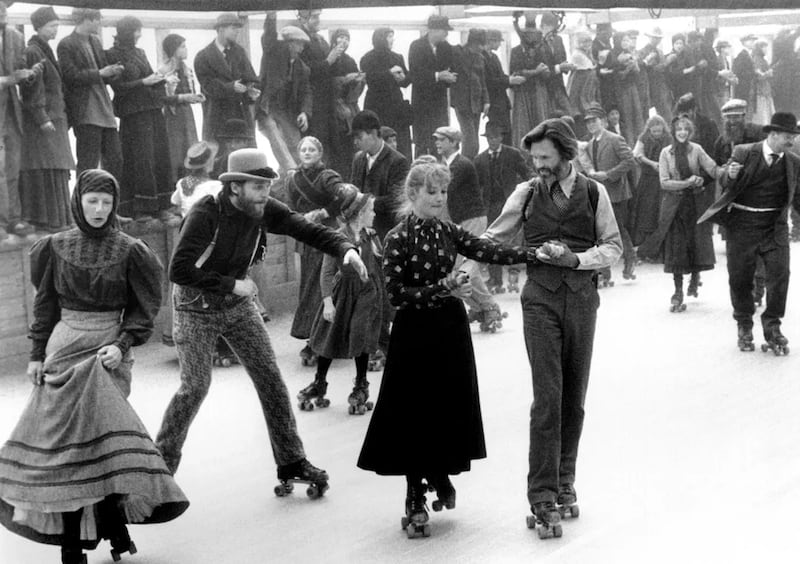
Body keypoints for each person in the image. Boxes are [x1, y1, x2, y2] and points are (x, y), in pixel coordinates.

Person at [0, 169, 189, 564]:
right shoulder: (53, 247)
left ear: (115, 204)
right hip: (64, 348)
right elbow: (45, 306)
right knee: (65, 450)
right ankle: (74, 543)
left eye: (106, 202)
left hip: (108, 353)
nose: (100, 209)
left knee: (102, 446)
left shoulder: (133, 250)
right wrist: (37, 355)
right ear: (78, 200)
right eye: (92, 200)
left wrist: (121, 346)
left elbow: (144, 310)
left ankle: (111, 524)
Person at [155, 148, 368, 483]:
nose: (265, 194)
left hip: (237, 306)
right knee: (194, 386)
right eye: (257, 186)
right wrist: (231, 285)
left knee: (270, 379)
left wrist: (346, 249)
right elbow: (178, 269)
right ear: (235, 186)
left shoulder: (264, 208)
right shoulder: (206, 213)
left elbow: (306, 229)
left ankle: (292, 461)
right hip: (196, 306)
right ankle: (159, 470)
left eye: (268, 186)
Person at [357, 158, 534, 538]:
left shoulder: (448, 231)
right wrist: (445, 288)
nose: (439, 198)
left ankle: (438, 472)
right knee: (413, 413)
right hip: (413, 333)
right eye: (432, 192)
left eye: (443, 191)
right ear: (413, 194)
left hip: (449, 329)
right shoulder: (397, 239)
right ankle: (413, 492)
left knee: (445, 407)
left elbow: (488, 251)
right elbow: (396, 294)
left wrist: (533, 254)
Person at [481, 118, 622, 536]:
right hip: (539, 300)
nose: (538, 165)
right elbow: (492, 236)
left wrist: (577, 260)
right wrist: (461, 268)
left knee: (573, 398)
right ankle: (541, 494)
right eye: (534, 158)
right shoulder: (525, 194)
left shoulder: (596, 193)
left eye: (544, 158)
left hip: (581, 300)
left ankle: (565, 480)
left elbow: (612, 245)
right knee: (548, 397)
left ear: (566, 154)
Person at [698, 112, 800, 354]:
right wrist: (729, 175)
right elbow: (723, 176)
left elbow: (798, 197)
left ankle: (773, 326)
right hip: (742, 225)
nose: (792, 141)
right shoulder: (744, 152)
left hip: (774, 227)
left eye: (793, 137)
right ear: (773, 135)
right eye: (788, 137)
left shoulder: (794, 162)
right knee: (740, 279)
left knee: (780, 276)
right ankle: (744, 325)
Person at [302, 193, 383, 413]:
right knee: (330, 335)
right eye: (371, 210)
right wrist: (328, 303)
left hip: (367, 293)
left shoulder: (371, 236)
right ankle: (319, 381)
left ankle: (361, 384)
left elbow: (380, 263)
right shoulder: (337, 237)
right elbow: (327, 272)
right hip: (344, 292)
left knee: (361, 335)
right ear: (359, 214)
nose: (374, 213)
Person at [285, 136, 358, 366]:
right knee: (308, 285)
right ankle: (312, 337)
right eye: (303, 150)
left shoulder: (327, 177)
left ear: (320, 153)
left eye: (312, 150)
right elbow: (289, 207)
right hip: (306, 237)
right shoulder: (293, 178)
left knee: (323, 284)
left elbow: (344, 196)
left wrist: (324, 212)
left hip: (326, 234)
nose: (307, 153)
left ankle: (322, 339)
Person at [434, 125, 507, 332]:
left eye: (442, 139)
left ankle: (488, 306)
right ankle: (480, 306)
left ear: (454, 142)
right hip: (459, 221)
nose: (438, 143)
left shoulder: (462, 164)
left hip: (472, 219)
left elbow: (445, 188)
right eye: (436, 140)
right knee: (460, 268)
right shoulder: (445, 164)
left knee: (464, 267)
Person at [105, 16, 175, 223]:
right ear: (126, 31)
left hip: (152, 109)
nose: (139, 34)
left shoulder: (140, 52)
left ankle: (161, 205)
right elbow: (118, 88)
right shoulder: (111, 54)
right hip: (133, 114)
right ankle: (141, 208)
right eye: (136, 30)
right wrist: (144, 81)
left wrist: (161, 78)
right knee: (141, 158)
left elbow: (148, 80)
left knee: (159, 156)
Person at [654, 116, 721, 312]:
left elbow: (713, 169)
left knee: (695, 244)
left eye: (685, 129)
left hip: (695, 205)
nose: (682, 132)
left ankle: (695, 276)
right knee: (677, 249)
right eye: (678, 129)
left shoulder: (697, 149)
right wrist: (687, 183)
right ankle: (677, 291)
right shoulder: (666, 153)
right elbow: (664, 182)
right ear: (673, 132)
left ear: (690, 132)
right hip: (675, 207)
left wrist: (705, 179)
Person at [19, 6, 74, 234]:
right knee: (45, 166)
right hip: (43, 121)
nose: (55, 29)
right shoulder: (33, 51)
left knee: (56, 166)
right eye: (51, 26)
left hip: (55, 118)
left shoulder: (44, 50)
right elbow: (32, 89)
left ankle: (59, 219)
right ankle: (47, 219)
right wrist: (42, 117)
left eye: (56, 25)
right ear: (39, 27)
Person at [57, 8, 123, 181]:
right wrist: (100, 73)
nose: (99, 23)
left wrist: (113, 72)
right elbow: (70, 76)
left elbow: (102, 71)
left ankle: (109, 200)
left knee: (115, 160)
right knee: (88, 162)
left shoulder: (95, 41)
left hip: (105, 109)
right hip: (85, 111)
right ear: (87, 19)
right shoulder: (66, 44)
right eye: (97, 19)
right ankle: (81, 204)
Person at [474, 121, 530, 293]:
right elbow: (477, 185)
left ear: (501, 137)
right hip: (490, 205)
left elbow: (526, 172)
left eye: (496, 137)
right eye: (489, 137)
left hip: (510, 203)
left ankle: (513, 274)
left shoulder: (512, 154)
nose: (492, 140)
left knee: (514, 240)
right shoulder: (480, 159)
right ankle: (495, 280)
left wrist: (531, 189)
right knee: (492, 242)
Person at [583, 104, 637, 283]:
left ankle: (630, 260)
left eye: (594, 121)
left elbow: (629, 160)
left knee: (619, 229)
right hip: (600, 194)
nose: (591, 125)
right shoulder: (590, 144)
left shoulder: (615, 139)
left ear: (604, 122)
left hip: (617, 192)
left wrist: (609, 174)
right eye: (588, 122)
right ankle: (604, 272)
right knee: (600, 232)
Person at [257, 13, 311, 178]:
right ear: (288, 44)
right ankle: (294, 174)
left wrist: (304, 112)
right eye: (298, 44)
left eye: (302, 44)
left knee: (296, 146)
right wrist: (271, 15)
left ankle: (285, 186)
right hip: (267, 109)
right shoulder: (272, 53)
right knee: (277, 140)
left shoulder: (302, 68)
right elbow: (269, 36)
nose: (301, 48)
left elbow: (306, 91)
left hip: (287, 112)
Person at [195, 12, 260, 144]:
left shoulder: (239, 52)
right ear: (220, 29)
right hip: (217, 115)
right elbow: (207, 86)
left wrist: (251, 91)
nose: (237, 32)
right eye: (233, 28)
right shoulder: (203, 57)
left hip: (241, 114)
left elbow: (250, 77)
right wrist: (230, 87)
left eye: (238, 28)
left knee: (246, 157)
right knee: (220, 157)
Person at [361, 27, 412, 158]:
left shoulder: (397, 57)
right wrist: (389, 73)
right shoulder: (367, 58)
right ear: (380, 38)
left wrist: (403, 77)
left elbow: (405, 81)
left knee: (400, 141)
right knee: (377, 138)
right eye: (389, 36)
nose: (392, 40)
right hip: (376, 104)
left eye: (392, 36)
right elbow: (371, 79)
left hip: (396, 103)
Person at [159, 33, 204, 182]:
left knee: (190, 147)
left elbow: (188, 92)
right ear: (173, 49)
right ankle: (174, 184)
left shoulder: (187, 70)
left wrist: (195, 98)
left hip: (186, 113)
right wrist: (183, 97)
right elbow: (162, 97)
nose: (186, 50)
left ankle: (191, 182)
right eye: (182, 47)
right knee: (175, 151)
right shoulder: (163, 71)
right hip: (172, 115)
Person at [408, 14, 455, 157]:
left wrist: (450, 77)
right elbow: (415, 74)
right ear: (433, 30)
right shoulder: (416, 46)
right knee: (422, 143)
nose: (446, 34)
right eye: (444, 30)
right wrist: (437, 75)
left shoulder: (446, 48)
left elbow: (450, 68)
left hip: (439, 103)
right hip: (421, 103)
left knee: (440, 141)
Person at [632, 115, 672, 258]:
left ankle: (660, 250)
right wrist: (652, 163)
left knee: (660, 213)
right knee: (646, 213)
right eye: (654, 132)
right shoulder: (643, 138)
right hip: (648, 180)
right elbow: (637, 154)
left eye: (659, 132)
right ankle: (645, 249)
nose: (656, 134)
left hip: (663, 180)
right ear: (649, 130)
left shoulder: (669, 138)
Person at [296, 9, 336, 151]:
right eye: (314, 17)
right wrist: (328, 62)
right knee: (314, 143)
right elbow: (305, 70)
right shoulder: (300, 41)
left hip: (326, 102)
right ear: (302, 19)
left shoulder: (320, 40)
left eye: (318, 16)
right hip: (313, 103)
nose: (318, 20)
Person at [328, 28, 365, 179]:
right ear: (334, 39)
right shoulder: (328, 57)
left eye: (346, 39)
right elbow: (325, 83)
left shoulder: (349, 60)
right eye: (341, 38)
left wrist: (358, 81)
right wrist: (344, 80)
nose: (344, 41)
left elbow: (356, 93)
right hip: (333, 107)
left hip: (349, 106)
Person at [510, 15, 551, 149]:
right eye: (529, 34)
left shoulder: (541, 49)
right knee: (523, 125)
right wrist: (536, 72)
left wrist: (542, 71)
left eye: (534, 34)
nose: (532, 37)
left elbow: (546, 72)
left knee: (540, 123)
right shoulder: (516, 51)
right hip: (523, 93)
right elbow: (516, 73)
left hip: (539, 91)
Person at [450, 28, 490, 160]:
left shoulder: (480, 58)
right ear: (473, 43)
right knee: (470, 141)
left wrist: (486, 101)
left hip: (476, 103)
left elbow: (483, 80)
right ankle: (464, 167)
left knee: (474, 142)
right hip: (462, 103)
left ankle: (469, 167)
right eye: (480, 44)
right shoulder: (458, 53)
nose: (482, 47)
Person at [483, 29, 522, 147]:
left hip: (502, 102)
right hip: (493, 102)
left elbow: (500, 75)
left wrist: (511, 79)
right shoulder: (482, 58)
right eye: (498, 41)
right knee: (498, 132)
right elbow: (488, 82)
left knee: (506, 132)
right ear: (490, 41)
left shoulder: (494, 57)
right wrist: (509, 80)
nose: (500, 44)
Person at [539, 12, 575, 119]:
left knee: (568, 116)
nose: (552, 34)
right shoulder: (536, 43)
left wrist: (567, 66)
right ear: (542, 26)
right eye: (550, 29)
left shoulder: (558, 40)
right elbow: (540, 67)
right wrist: (559, 67)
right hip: (544, 89)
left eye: (554, 30)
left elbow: (562, 58)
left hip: (559, 86)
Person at [612, 31, 644, 146]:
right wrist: (627, 70)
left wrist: (634, 67)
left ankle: (639, 145)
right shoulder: (613, 55)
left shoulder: (629, 53)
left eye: (627, 40)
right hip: (622, 90)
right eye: (623, 40)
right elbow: (616, 76)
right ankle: (629, 145)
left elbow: (637, 74)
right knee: (627, 118)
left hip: (632, 88)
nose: (626, 43)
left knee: (637, 116)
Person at [567, 30, 599, 137]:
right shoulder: (577, 55)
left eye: (589, 42)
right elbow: (575, 88)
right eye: (584, 42)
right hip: (580, 99)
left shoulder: (587, 54)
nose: (587, 45)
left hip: (588, 95)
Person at [639, 27, 673, 123]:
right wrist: (666, 63)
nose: (657, 40)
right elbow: (651, 70)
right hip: (649, 86)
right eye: (654, 37)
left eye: (658, 38)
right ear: (649, 37)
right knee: (648, 115)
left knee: (665, 114)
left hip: (661, 86)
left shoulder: (660, 52)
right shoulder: (643, 52)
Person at [751, 39, 775, 126]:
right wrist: (767, 74)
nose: (765, 49)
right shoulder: (756, 60)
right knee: (763, 117)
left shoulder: (762, 59)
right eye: (763, 47)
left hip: (765, 91)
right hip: (760, 92)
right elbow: (758, 76)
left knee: (766, 116)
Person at [592, 22, 615, 111]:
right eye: (606, 33)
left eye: (610, 33)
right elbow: (592, 64)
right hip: (601, 83)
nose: (609, 36)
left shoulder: (608, 44)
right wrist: (600, 70)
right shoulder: (594, 46)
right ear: (598, 32)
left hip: (610, 81)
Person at [732, 34, 757, 111]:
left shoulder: (747, 54)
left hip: (746, 85)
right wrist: (753, 73)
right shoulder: (742, 55)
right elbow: (737, 71)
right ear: (745, 42)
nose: (753, 43)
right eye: (751, 41)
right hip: (743, 86)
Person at [715, 39, 737, 110]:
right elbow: (717, 75)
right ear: (722, 49)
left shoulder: (726, 60)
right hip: (720, 90)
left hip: (726, 88)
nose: (729, 49)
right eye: (727, 47)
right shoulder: (717, 60)